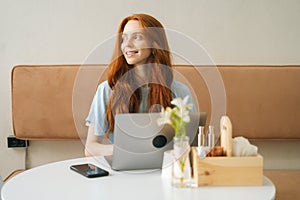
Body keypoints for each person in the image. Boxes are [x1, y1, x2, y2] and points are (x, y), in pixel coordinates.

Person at [85, 13, 196, 157]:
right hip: (122, 173)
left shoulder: (180, 92)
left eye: (136, 37)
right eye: (124, 39)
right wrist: (130, 151)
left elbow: (190, 145)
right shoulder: (107, 90)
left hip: (164, 171)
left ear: (155, 45)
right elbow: (90, 148)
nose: (127, 45)